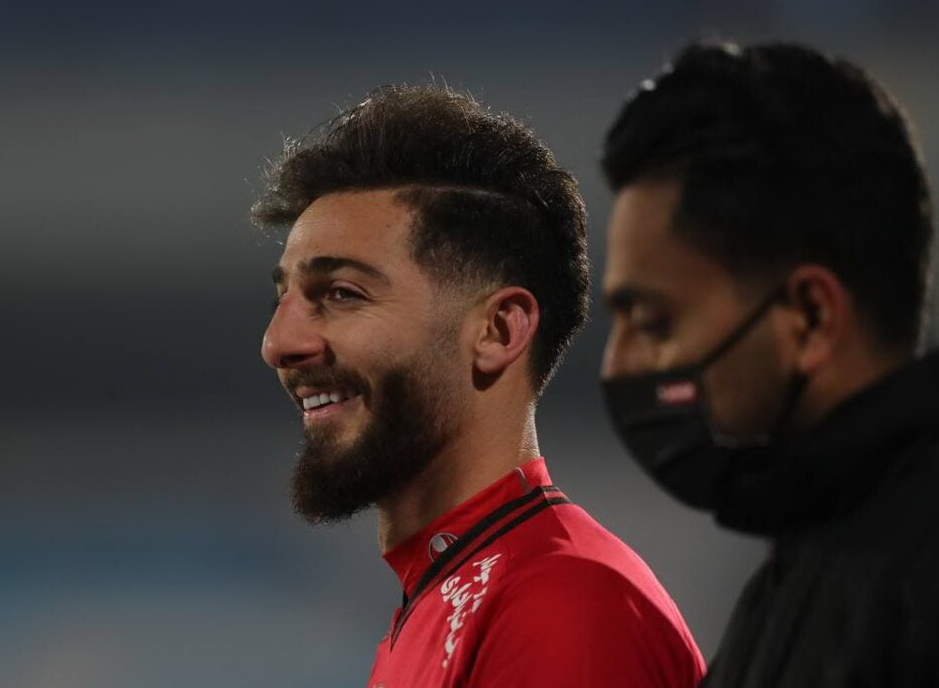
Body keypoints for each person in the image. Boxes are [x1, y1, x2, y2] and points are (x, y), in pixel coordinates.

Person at [255, 84, 705, 688]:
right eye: (283, 298)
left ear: (498, 330)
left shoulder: (562, 604)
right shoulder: (445, 598)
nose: (278, 343)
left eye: (341, 294)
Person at [600, 40, 939, 687]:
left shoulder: (931, 574)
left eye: (653, 324)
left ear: (810, 317)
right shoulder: (793, 577)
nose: (618, 365)